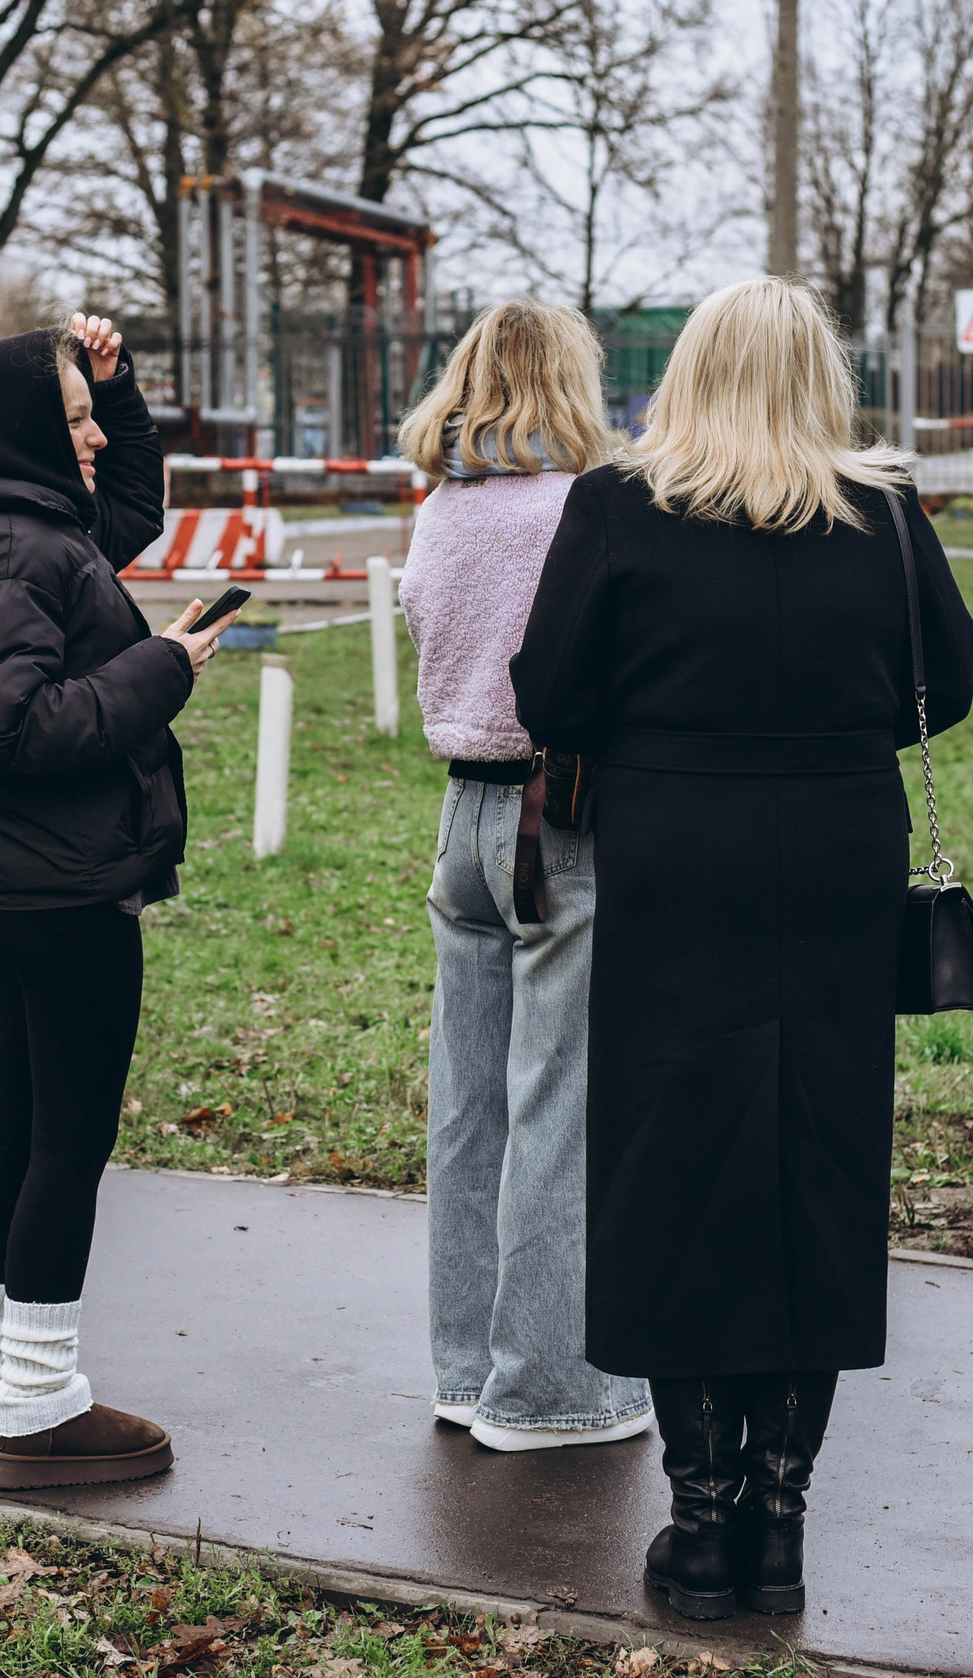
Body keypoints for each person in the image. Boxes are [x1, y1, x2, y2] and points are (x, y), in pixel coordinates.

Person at [510, 278, 973, 1620]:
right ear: (818, 378)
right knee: (814, 1157)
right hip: (834, 849)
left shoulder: (617, 506)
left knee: (671, 1158)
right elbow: (947, 675)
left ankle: (701, 1510)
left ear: (693, 374)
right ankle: (781, 1512)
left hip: (674, 853)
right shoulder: (883, 513)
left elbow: (550, 691)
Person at [0, 313, 225, 1490]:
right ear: (27, 429)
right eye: (75, 419)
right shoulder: (18, 557)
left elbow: (123, 514)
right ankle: (39, 1409)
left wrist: (119, 390)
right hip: (65, 884)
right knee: (65, 1143)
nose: (92, 440)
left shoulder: (14, 534)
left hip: (23, 878)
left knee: (11, 1132)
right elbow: (5, 728)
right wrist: (161, 667)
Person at [396, 300, 654, 1454]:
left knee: (469, 1101)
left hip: (460, 814)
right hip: (558, 817)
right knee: (558, 1095)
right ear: (572, 381)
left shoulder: (440, 510)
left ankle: (463, 1365)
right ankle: (549, 1386)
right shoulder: (580, 510)